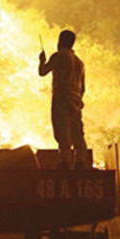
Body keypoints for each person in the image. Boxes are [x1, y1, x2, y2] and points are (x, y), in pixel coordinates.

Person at [38, 30, 87, 169]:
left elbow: (42, 72)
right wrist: (77, 100)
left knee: (62, 130)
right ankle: (80, 161)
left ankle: (65, 162)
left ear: (60, 41)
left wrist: (42, 60)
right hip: (76, 100)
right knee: (77, 131)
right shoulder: (79, 63)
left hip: (61, 98)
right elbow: (83, 87)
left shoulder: (58, 56)